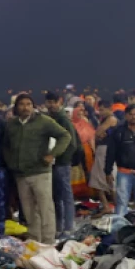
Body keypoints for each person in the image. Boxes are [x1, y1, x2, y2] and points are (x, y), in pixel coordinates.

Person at [3, 94, 72, 244]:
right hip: (21, 174)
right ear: (16, 107)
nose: (25, 107)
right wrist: (11, 162)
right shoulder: (12, 125)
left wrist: (53, 154)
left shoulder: (44, 121)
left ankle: (48, 242)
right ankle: (35, 240)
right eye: (22, 104)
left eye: (29, 104)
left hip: (40, 172)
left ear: (33, 106)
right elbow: (6, 146)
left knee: (45, 208)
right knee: (28, 210)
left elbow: (65, 136)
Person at [45, 93, 79, 237]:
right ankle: (59, 227)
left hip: (61, 163)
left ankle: (68, 227)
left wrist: (62, 158)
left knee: (66, 195)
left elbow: (72, 143)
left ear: (59, 102)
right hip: (52, 163)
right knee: (56, 196)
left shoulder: (63, 119)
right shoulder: (49, 118)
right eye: (49, 102)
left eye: (54, 102)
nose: (51, 105)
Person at [89, 101, 117, 214]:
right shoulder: (104, 120)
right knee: (98, 179)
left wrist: (99, 133)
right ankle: (109, 206)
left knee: (107, 180)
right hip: (102, 150)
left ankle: (114, 206)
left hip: (106, 151)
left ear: (109, 109)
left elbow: (97, 133)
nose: (100, 112)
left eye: (102, 110)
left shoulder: (111, 119)